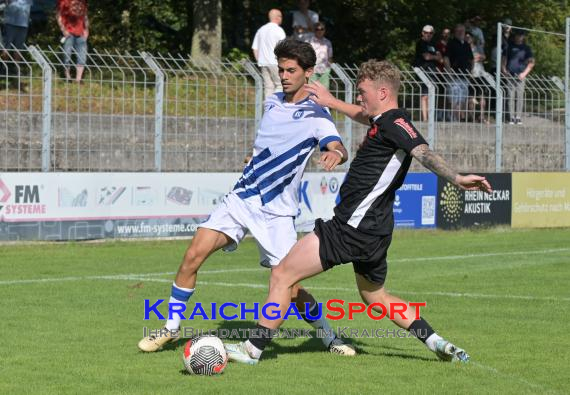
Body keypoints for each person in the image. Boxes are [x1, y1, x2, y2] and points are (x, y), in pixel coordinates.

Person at [225, 60, 492, 365]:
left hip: (351, 226)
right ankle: (438, 343)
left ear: (382, 91)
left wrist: (457, 178)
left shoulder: (395, 124)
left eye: (362, 91)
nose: (359, 97)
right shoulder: (385, 121)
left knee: (282, 274)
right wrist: (330, 101)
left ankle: (252, 350)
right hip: (375, 231)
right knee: (375, 298)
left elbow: (423, 152)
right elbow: (361, 115)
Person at [138, 38, 355, 357]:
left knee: (291, 289)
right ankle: (171, 328)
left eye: (291, 70)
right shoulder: (271, 102)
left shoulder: (317, 114)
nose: (283, 75)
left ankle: (328, 336)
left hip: (277, 213)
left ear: (308, 73)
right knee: (193, 254)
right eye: (280, 69)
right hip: (241, 199)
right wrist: (252, 159)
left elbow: (337, 146)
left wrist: (337, 154)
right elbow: (265, 144)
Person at [252, 9, 286, 99]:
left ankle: (268, 108)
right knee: (280, 84)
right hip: (275, 62)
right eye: (281, 16)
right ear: (277, 17)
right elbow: (284, 47)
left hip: (263, 62)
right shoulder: (279, 30)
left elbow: (255, 48)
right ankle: (277, 106)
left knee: (268, 87)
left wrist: (259, 60)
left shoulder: (261, 30)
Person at [502, 29, 534, 125]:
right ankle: (511, 117)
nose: (519, 37)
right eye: (518, 35)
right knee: (510, 96)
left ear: (523, 37)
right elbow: (504, 59)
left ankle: (518, 117)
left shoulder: (526, 48)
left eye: (521, 35)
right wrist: (503, 70)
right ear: (515, 36)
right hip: (510, 74)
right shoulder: (509, 46)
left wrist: (524, 73)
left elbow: (531, 63)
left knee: (519, 96)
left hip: (521, 75)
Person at [444, 24, 473, 122]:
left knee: (463, 100)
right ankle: (453, 120)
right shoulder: (451, 43)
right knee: (454, 100)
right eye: (458, 31)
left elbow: (471, 59)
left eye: (462, 31)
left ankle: (460, 119)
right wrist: (449, 72)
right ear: (455, 32)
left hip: (464, 76)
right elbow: (446, 57)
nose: (461, 33)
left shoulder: (466, 44)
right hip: (454, 76)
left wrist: (470, 72)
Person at [413, 24, 441, 122]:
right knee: (424, 95)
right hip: (423, 71)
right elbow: (426, 57)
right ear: (422, 33)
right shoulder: (420, 43)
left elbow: (440, 58)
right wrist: (434, 57)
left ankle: (430, 118)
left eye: (430, 33)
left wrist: (432, 56)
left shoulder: (434, 44)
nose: (428, 34)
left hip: (432, 71)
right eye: (426, 32)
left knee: (431, 95)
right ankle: (425, 118)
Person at [56, 0, 89, 83]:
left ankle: (78, 79)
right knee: (67, 55)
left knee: (82, 56)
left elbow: (85, 15)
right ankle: (68, 77)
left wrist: (86, 29)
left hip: (81, 32)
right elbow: (58, 15)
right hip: (68, 32)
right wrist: (63, 30)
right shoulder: (63, 1)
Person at [466, 31, 488, 123]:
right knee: (471, 96)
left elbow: (484, 57)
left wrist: (474, 58)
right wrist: (474, 58)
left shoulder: (478, 47)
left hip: (480, 74)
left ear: (472, 38)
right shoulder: (464, 48)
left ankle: (482, 116)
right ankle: (472, 117)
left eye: (469, 37)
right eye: (466, 37)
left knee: (481, 96)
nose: (467, 39)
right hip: (470, 74)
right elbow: (466, 59)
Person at [308, 21, 333, 89]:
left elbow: (330, 57)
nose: (319, 31)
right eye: (317, 29)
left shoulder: (328, 42)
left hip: (325, 71)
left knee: (324, 92)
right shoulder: (310, 42)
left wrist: (329, 69)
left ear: (324, 30)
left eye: (322, 29)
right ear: (314, 30)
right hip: (313, 70)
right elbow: (306, 56)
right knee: (311, 91)